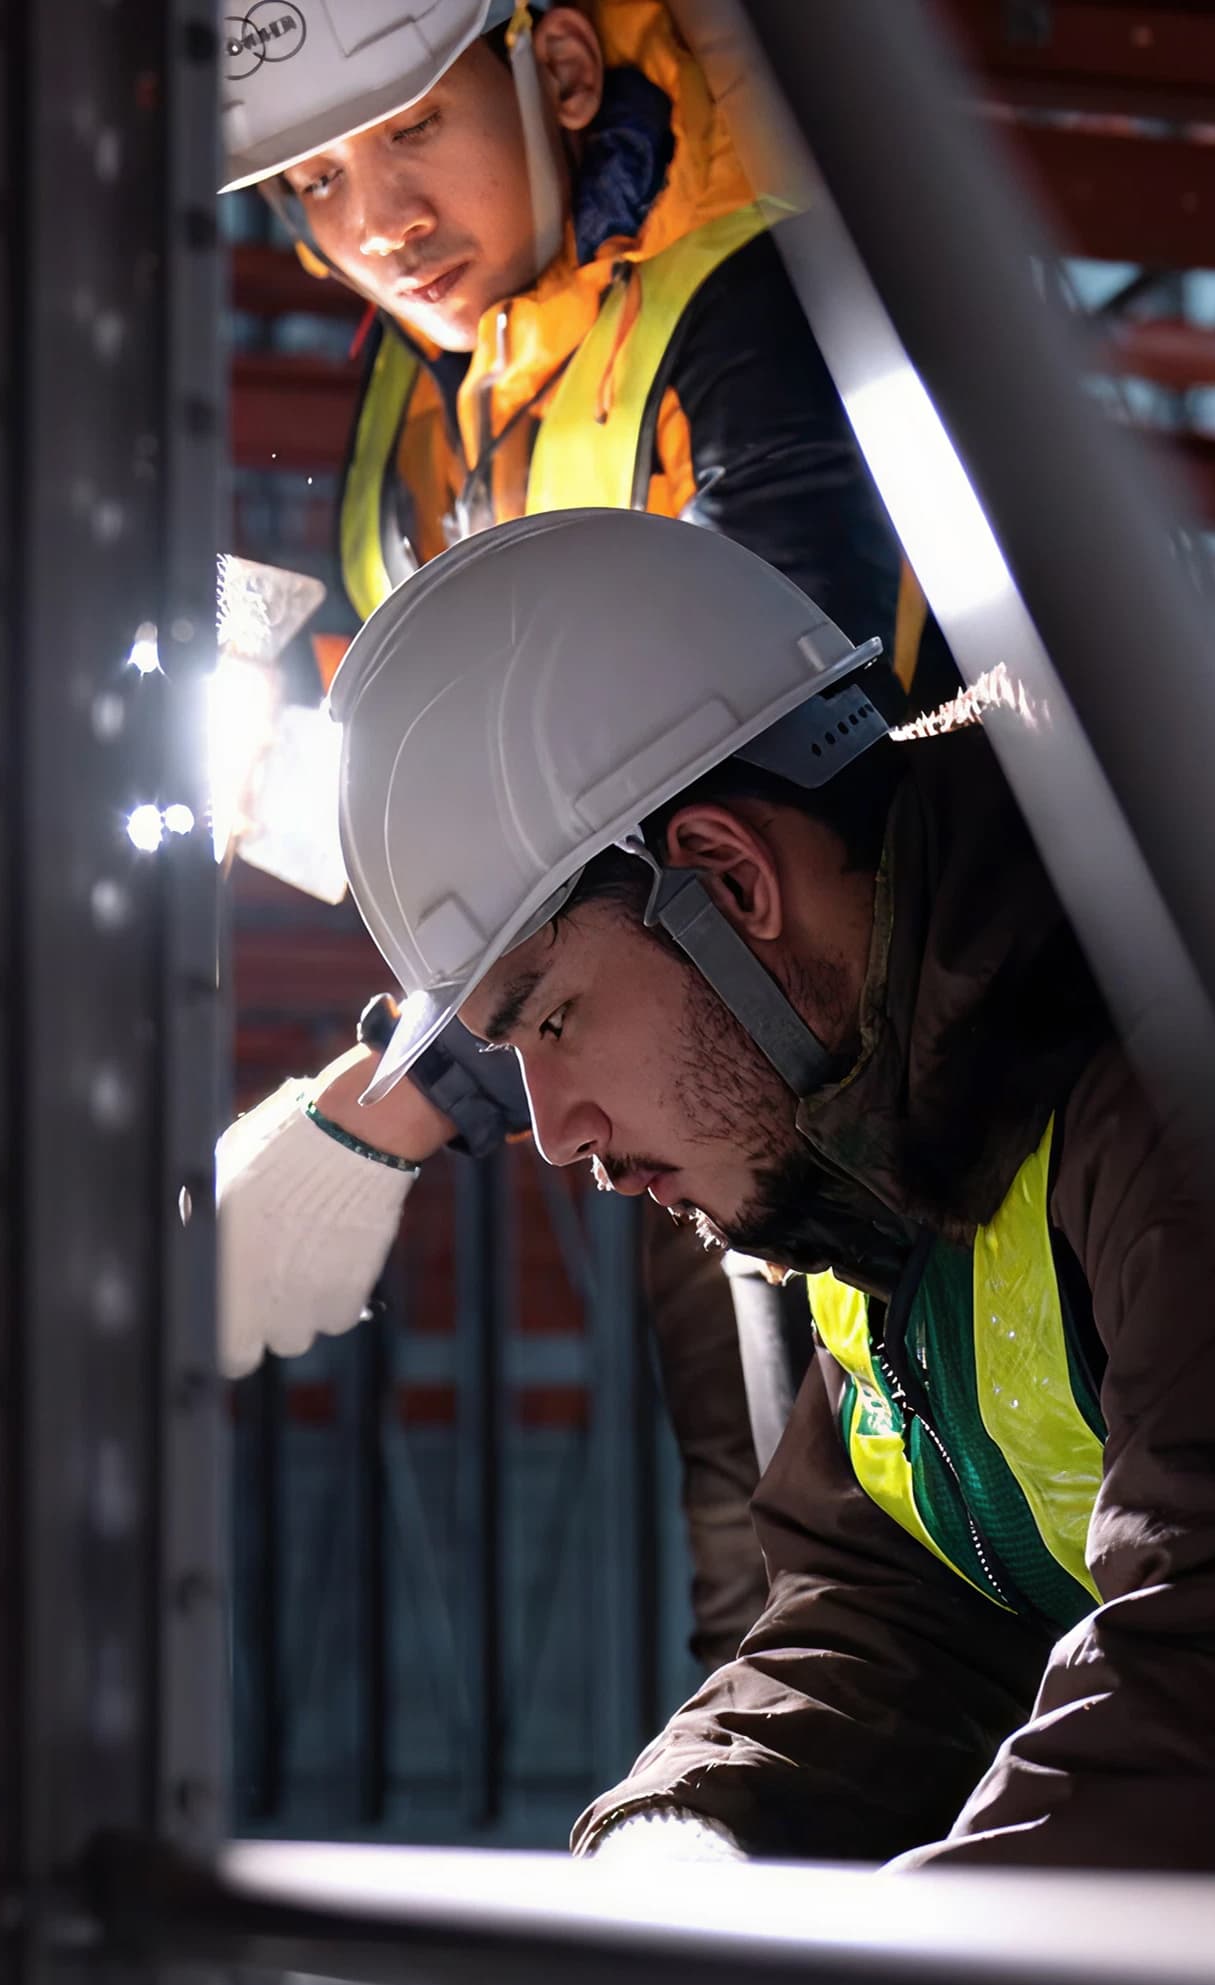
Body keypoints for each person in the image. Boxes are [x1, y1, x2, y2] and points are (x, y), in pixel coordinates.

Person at [330, 507, 1215, 1886]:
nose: (555, 1132)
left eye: (553, 1018)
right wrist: (688, 1843)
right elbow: (906, 1610)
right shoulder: (896, 1143)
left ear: (731, 881)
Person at [211, 0, 947, 1669]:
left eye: (412, 128)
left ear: (552, 73)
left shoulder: (754, 303)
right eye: (316, 180)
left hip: (911, 1071)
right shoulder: (431, 397)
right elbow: (450, 768)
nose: (375, 218)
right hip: (691, 1079)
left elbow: (761, 767)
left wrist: (398, 1100)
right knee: (777, 1577)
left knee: (921, 1585)